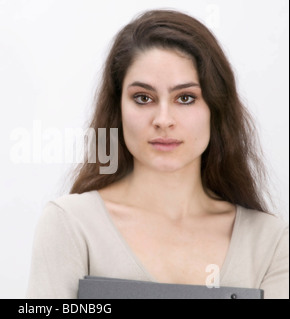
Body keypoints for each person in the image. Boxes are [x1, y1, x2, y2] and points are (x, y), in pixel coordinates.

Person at [26, 10, 289, 299]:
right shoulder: (71, 225)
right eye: (144, 98)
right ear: (119, 109)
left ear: (216, 108)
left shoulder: (271, 241)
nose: (163, 119)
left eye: (185, 98)